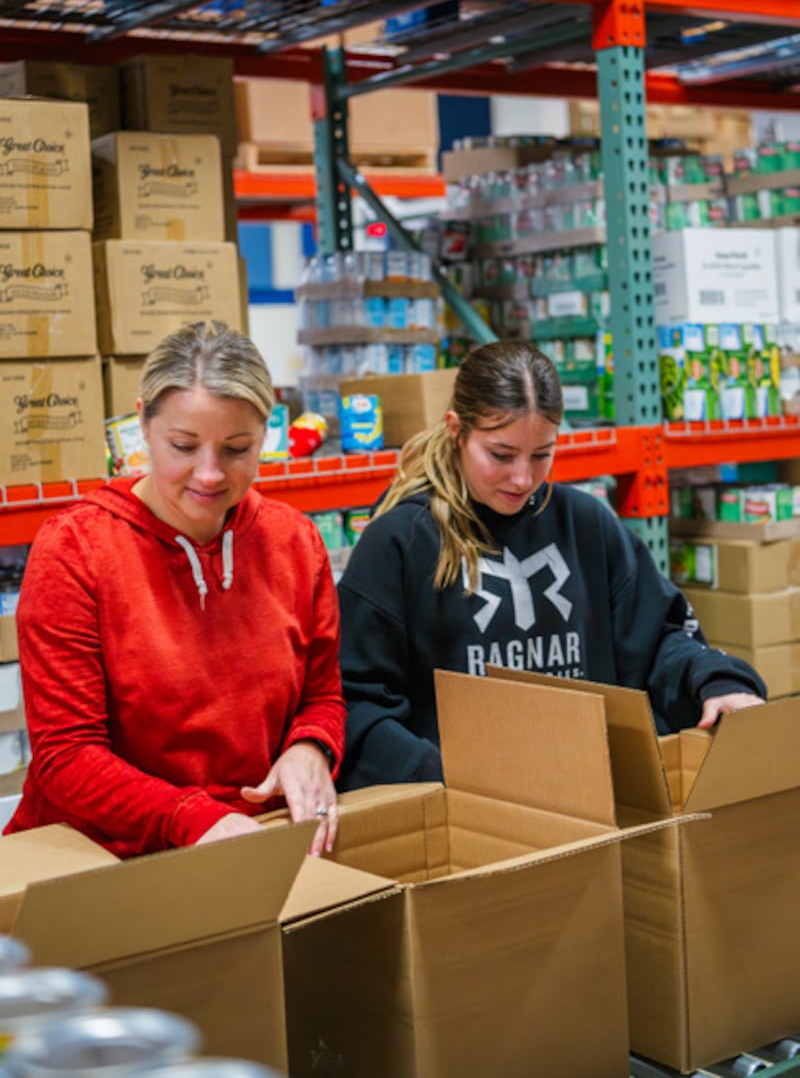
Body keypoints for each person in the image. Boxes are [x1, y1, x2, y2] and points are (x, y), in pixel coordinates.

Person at [337, 340, 767, 790]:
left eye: (542, 454)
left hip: (592, 795)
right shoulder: (400, 542)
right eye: (500, 455)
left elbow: (659, 637)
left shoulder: (585, 524)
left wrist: (717, 683)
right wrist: (440, 776)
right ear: (456, 430)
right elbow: (357, 702)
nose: (523, 478)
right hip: (461, 818)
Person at [5, 320, 345, 858]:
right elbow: (66, 756)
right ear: (143, 421)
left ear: (267, 433)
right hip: (104, 855)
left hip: (252, 843)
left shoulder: (294, 542)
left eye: (237, 449)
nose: (209, 475)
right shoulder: (77, 550)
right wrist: (191, 817)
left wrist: (310, 747)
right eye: (183, 446)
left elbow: (321, 694)